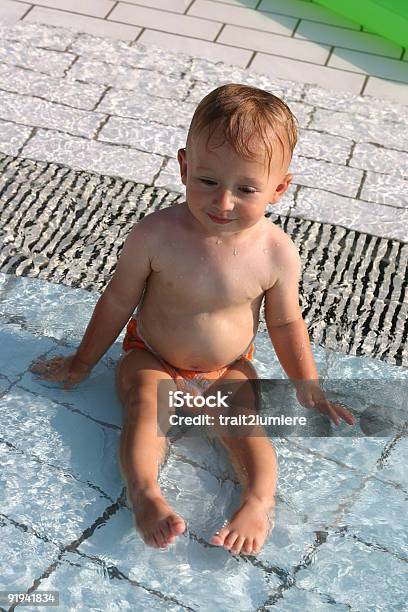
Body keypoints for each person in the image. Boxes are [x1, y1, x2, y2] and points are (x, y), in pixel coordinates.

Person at [30, 84, 355, 556]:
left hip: (229, 365)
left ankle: (258, 501)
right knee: (145, 405)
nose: (223, 202)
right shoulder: (156, 234)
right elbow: (118, 302)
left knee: (245, 420)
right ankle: (145, 494)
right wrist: (82, 362)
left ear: (279, 188)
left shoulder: (275, 252)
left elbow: (286, 324)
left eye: (246, 189)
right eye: (207, 181)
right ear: (184, 167)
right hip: (153, 355)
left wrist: (307, 384)